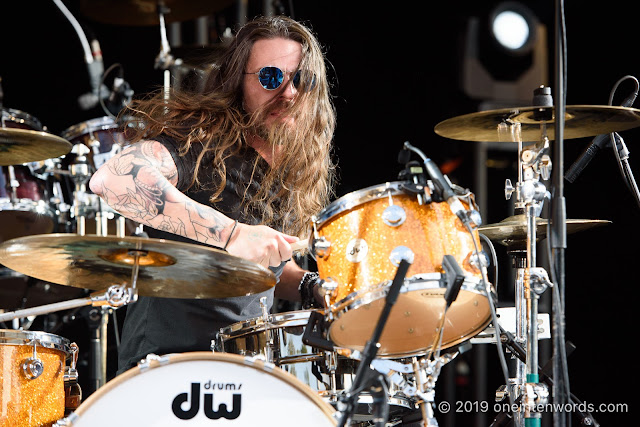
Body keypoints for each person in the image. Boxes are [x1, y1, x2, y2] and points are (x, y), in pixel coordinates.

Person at [88, 15, 336, 374]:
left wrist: (313, 286)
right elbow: (112, 179)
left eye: (302, 79)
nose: (289, 92)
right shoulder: (199, 141)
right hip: (168, 366)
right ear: (240, 82)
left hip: (244, 368)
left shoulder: (291, 163)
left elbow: (265, 260)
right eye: (271, 77)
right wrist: (232, 233)